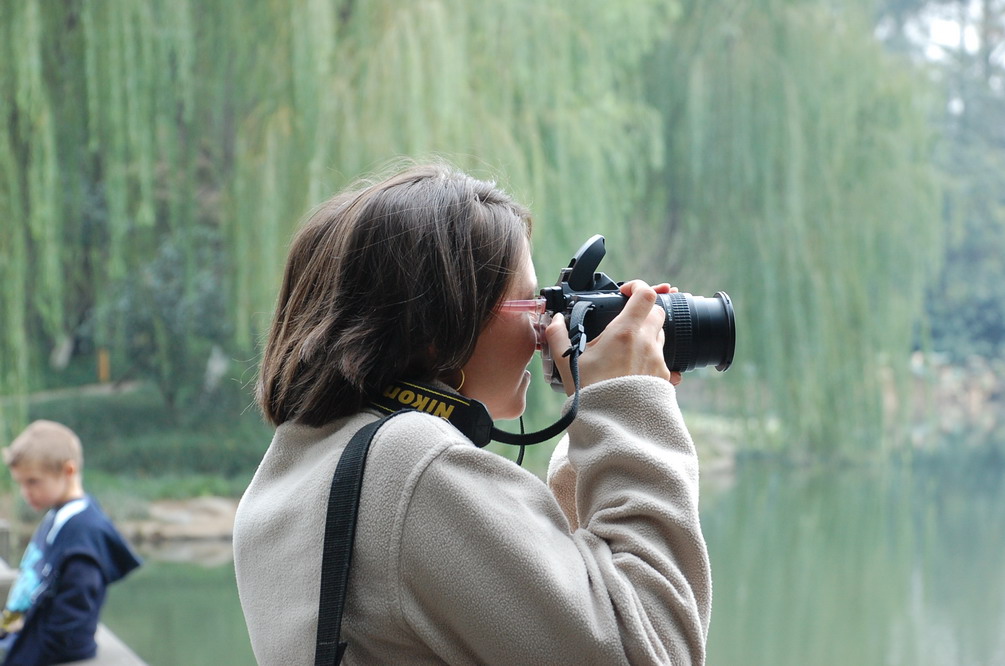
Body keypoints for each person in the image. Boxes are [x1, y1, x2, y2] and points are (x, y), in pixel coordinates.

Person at [233, 161, 712, 664]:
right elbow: (657, 648)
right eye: (529, 303)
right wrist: (630, 400)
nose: (544, 327)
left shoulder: (305, 462)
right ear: (439, 327)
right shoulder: (411, 468)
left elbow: (555, 623)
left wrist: (593, 423)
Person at [0, 420, 141, 665]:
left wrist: (36, 651)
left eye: (32, 481)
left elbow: (74, 611)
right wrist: (5, 628)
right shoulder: (57, 514)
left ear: (68, 471)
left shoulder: (85, 530)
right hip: (23, 643)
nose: (25, 492)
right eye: (20, 483)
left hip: (51, 655)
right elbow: (29, 585)